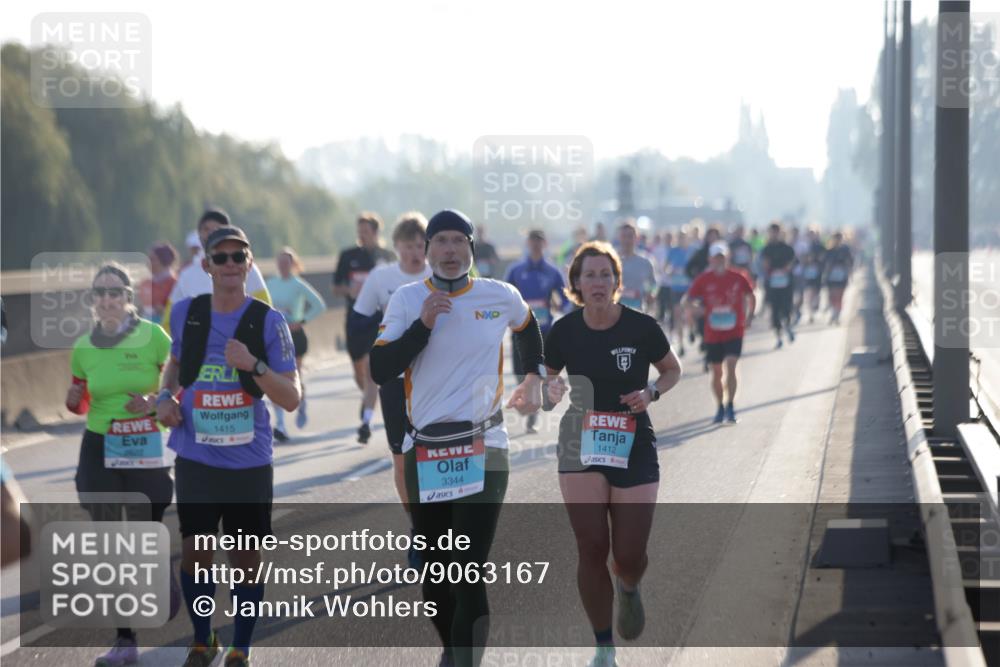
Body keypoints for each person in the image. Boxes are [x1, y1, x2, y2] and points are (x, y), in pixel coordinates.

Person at [369, 209, 544, 667]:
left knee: (467, 567)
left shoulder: (499, 294)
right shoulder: (408, 300)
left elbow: (528, 328)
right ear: (426, 250)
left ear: (471, 248)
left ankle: (464, 660)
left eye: (458, 241)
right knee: (434, 571)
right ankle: (454, 646)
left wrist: (531, 379)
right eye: (440, 241)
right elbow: (381, 369)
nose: (449, 250)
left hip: (485, 445)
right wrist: (422, 326)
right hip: (425, 449)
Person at [156, 226, 300, 667]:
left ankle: (241, 645)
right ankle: (203, 640)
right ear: (207, 266)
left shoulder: (269, 321)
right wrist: (164, 397)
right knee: (197, 552)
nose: (231, 264)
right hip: (197, 455)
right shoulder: (186, 313)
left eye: (240, 257)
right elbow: (176, 364)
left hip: (249, 461)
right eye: (222, 258)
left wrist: (253, 364)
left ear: (250, 264)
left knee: (245, 558)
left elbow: (291, 398)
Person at [542, 241, 681, 667]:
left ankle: (630, 586)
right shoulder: (562, 331)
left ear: (617, 282)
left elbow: (672, 369)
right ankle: (604, 646)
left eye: (605, 274)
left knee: (629, 555)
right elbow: (545, 391)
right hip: (580, 442)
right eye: (590, 275)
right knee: (591, 546)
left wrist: (651, 392)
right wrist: (550, 391)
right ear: (577, 285)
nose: (598, 282)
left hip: (633, 441)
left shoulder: (640, 326)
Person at [65, 262, 177, 667]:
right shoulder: (83, 347)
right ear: (93, 301)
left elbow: (180, 375)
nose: (107, 299)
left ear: (129, 299)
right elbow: (78, 395)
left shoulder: (153, 337)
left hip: (144, 442)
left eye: (115, 292)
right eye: (100, 293)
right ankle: (124, 640)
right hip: (99, 443)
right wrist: (73, 396)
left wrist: (156, 400)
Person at [351, 212, 431, 559]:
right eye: (408, 245)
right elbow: (358, 321)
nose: (415, 252)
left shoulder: (439, 275)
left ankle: (446, 529)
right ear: (396, 246)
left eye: (420, 245)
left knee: (435, 455)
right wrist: (384, 343)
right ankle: (418, 529)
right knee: (402, 461)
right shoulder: (382, 278)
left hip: (435, 381)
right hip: (396, 382)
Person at [333, 212, 396, 444]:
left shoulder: (387, 256)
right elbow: (335, 288)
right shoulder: (348, 255)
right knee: (358, 369)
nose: (361, 235)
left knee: (370, 370)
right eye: (359, 231)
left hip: (380, 318)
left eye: (366, 231)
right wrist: (349, 290)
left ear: (376, 232)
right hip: (356, 318)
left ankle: (367, 417)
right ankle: (368, 396)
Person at [161, 209, 272, 334]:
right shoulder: (187, 275)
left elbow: (265, 313)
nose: (210, 233)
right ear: (199, 234)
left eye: (217, 229)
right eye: (206, 229)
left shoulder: (244, 268)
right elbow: (169, 322)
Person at [503, 229, 570, 433]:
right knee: (518, 373)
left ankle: (532, 414)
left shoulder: (552, 271)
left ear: (545, 244)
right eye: (532, 241)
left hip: (544, 331)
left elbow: (565, 297)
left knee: (538, 373)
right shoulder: (516, 270)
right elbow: (504, 296)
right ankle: (531, 397)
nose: (536, 245)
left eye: (539, 241)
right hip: (520, 330)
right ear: (527, 243)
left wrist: (563, 309)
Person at [684, 243, 757, 424]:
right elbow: (688, 300)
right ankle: (720, 407)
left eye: (722, 257)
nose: (719, 261)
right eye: (716, 258)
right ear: (710, 259)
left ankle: (731, 405)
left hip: (734, 330)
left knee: (731, 365)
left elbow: (751, 296)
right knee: (717, 373)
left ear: (728, 258)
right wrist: (696, 311)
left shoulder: (738, 277)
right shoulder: (703, 279)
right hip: (713, 333)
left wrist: (749, 317)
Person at [265, 247, 327, 440]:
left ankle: (302, 401)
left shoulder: (298, 284)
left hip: (295, 337)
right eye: (280, 262)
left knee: (294, 377)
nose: (283, 266)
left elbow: (319, 305)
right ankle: (281, 424)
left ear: (293, 264)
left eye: (287, 262)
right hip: (275, 336)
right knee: (274, 378)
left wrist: (300, 322)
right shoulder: (270, 284)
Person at [760, 222, 797, 348]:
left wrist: (785, 270)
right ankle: (778, 336)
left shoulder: (787, 248)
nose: (774, 234)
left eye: (776, 232)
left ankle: (788, 325)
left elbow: (793, 262)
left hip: (786, 284)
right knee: (774, 311)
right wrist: (771, 271)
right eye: (772, 232)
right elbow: (764, 264)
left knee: (786, 308)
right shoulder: (766, 249)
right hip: (772, 284)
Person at [616, 220, 658, 313]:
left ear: (636, 238)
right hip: (614, 311)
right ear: (619, 238)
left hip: (637, 309)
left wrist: (651, 294)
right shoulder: (610, 261)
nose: (627, 240)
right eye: (624, 236)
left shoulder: (645, 262)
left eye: (630, 236)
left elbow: (653, 284)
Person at [138, 242, 178, 325]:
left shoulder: (175, 284)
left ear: (164, 260)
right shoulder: (145, 283)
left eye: (152, 259)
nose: (148, 262)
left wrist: (163, 311)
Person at [823, 231, 854, 325]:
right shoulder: (829, 251)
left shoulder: (845, 250)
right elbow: (825, 264)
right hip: (831, 276)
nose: (837, 240)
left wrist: (849, 273)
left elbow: (850, 263)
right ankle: (833, 312)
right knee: (832, 295)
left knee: (840, 296)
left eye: (839, 238)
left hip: (842, 276)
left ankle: (837, 315)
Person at [800, 229, 827, 324]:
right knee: (808, 292)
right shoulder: (804, 246)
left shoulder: (820, 246)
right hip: (807, 272)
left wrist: (816, 260)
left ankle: (816, 306)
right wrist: (806, 261)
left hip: (817, 271)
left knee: (816, 291)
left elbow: (823, 258)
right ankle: (810, 312)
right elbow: (801, 258)